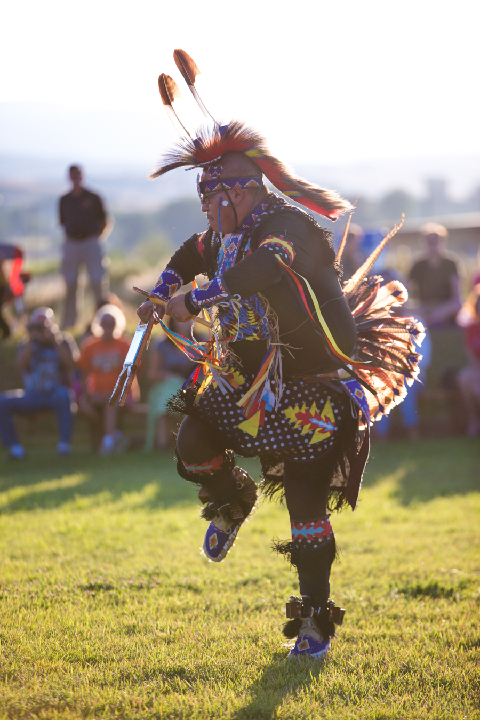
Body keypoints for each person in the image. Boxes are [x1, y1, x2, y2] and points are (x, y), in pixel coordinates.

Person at [135, 55, 423, 660]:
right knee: (192, 441)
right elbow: (193, 252)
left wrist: (200, 295)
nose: (208, 208)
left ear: (242, 188)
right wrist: (163, 293)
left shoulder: (289, 224)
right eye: (203, 196)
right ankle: (233, 498)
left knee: (304, 502)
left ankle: (315, 619)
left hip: (314, 378)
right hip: (249, 371)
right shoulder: (223, 231)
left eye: (215, 195)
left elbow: (266, 266)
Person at [0, 307, 78, 459]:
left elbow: (72, 365)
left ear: (53, 325)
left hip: (56, 393)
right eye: (37, 326)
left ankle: (64, 447)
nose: (41, 330)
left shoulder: (64, 341)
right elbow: (21, 365)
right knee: (2, 402)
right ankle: (16, 449)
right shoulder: (27, 343)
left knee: (66, 396)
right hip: (32, 395)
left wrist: (55, 342)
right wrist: (31, 340)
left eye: (44, 326)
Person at [78, 304, 137, 455]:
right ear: (99, 324)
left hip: (122, 394)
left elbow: (130, 375)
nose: (108, 327)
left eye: (112, 323)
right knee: (84, 404)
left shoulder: (125, 345)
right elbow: (84, 374)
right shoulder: (89, 346)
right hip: (97, 393)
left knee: (111, 400)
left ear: (118, 324)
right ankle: (115, 435)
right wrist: (89, 394)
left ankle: (108, 443)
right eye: (105, 323)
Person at [59, 165, 109, 329]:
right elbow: (63, 222)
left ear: (82, 176)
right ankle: (69, 323)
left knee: (97, 282)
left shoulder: (93, 197)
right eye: (73, 175)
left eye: (78, 175)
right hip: (72, 243)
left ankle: (103, 321)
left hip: (90, 242)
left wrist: (96, 238)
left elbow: (105, 220)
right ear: (69, 177)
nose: (76, 178)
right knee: (71, 284)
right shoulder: (64, 200)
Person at [145, 317, 194, 451]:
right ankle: (162, 445)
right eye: (181, 320)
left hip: (192, 386)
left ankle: (188, 446)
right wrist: (170, 377)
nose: (185, 323)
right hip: (165, 387)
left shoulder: (199, 343)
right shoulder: (161, 345)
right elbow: (152, 374)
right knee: (166, 399)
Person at [409, 223, 462, 328]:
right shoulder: (418, 265)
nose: (432, 245)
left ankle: (432, 321)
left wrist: (441, 310)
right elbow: (406, 290)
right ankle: (431, 321)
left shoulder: (451, 263)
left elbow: (457, 297)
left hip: (444, 306)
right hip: (424, 307)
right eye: (429, 242)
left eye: (435, 241)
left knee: (455, 305)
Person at [457, 285, 480, 437]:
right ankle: (475, 419)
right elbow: (471, 358)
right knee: (465, 378)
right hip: (477, 370)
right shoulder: (472, 328)